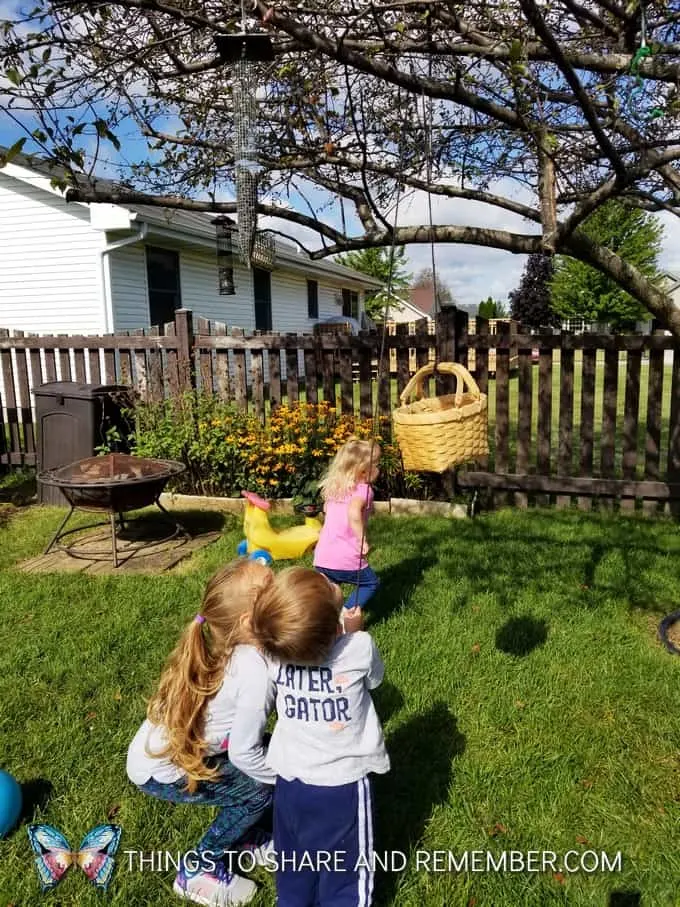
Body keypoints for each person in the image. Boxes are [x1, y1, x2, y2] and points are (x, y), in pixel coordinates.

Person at [126, 560, 278, 907]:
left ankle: (245, 838)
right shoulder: (253, 671)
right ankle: (197, 870)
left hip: (171, 752)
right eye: (270, 589)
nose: (280, 587)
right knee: (258, 792)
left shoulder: (237, 648)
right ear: (247, 623)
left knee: (272, 753)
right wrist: (290, 776)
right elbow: (244, 754)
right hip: (160, 771)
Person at [250, 566, 390, 907]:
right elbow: (376, 680)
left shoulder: (274, 654)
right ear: (332, 624)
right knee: (346, 877)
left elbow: (310, 645)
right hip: (342, 789)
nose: (331, 581)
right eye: (329, 585)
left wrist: (338, 630)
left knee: (294, 866)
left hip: (290, 784)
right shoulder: (359, 647)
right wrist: (352, 633)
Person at [314, 438, 381, 631]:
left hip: (323, 555)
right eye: (375, 464)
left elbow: (327, 510)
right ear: (362, 471)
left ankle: (322, 620)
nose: (378, 468)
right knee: (370, 583)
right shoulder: (364, 490)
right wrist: (362, 541)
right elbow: (353, 513)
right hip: (346, 556)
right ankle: (346, 615)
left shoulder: (335, 487)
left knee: (330, 589)